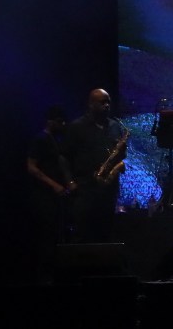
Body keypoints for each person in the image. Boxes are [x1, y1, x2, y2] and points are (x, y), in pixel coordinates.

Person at [62, 88, 128, 243]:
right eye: (102, 102)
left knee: (106, 233)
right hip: (85, 188)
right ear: (91, 104)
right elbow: (63, 156)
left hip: (108, 189)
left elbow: (120, 156)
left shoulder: (116, 127)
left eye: (108, 102)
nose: (106, 105)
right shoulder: (77, 127)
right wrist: (69, 182)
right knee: (84, 234)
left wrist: (122, 152)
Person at [26, 104, 74, 281]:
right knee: (46, 238)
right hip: (42, 196)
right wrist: (54, 184)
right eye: (60, 122)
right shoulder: (41, 139)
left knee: (55, 236)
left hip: (54, 197)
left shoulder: (55, 140)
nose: (63, 125)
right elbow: (31, 167)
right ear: (50, 122)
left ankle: (53, 276)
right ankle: (43, 278)